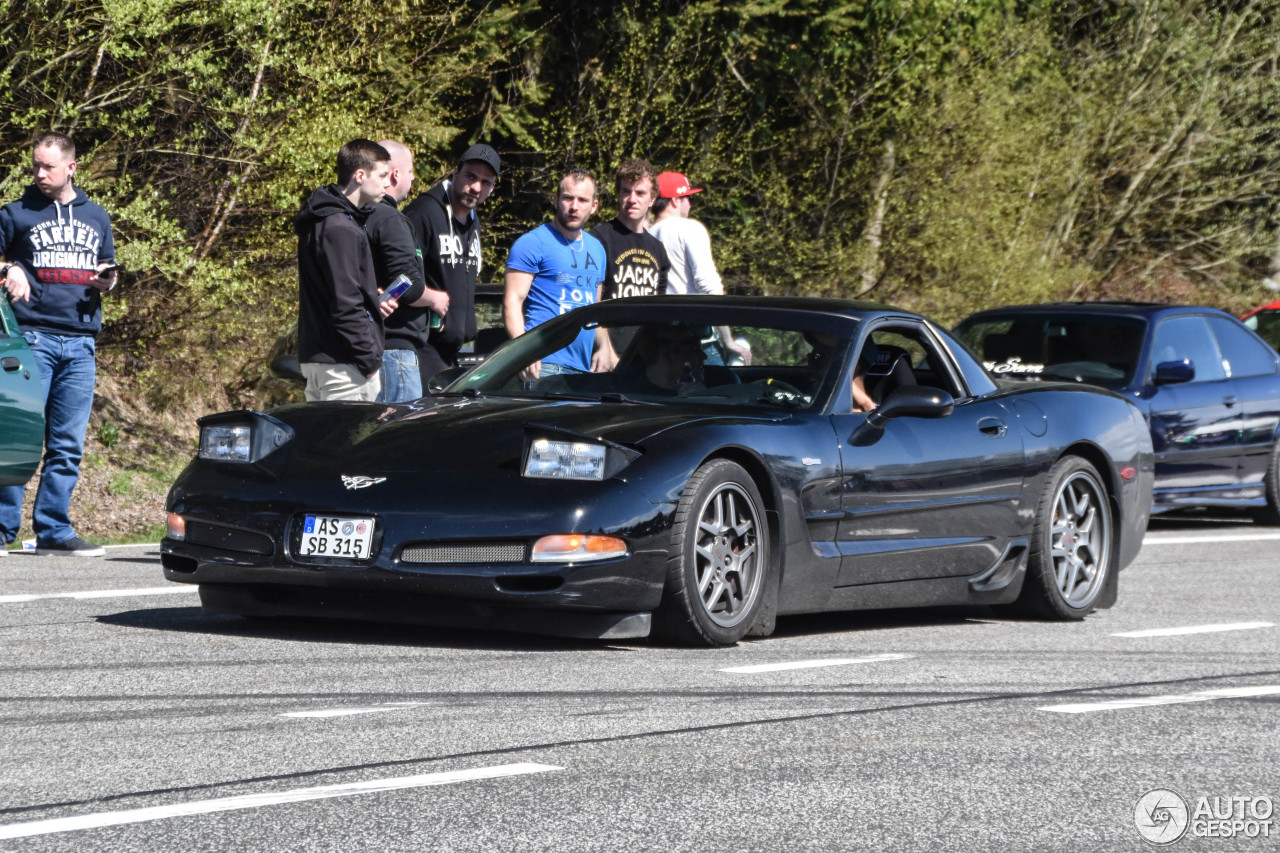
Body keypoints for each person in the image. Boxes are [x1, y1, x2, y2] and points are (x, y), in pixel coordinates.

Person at [0, 131, 118, 557]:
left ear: (71, 167)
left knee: (67, 445)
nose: (39, 173)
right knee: (18, 437)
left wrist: (110, 278)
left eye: (47, 166)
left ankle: (53, 530)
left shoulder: (97, 217)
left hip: (81, 343)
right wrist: (9, 266)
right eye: (35, 164)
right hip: (30, 337)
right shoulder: (16, 213)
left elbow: (107, 263)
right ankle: (1, 531)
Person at [295, 139, 390, 402]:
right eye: (382, 175)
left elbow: (337, 293)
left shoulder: (323, 219)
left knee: (324, 443)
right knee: (349, 443)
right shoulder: (341, 228)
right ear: (360, 175)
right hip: (344, 365)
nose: (388, 183)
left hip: (325, 359)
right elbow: (345, 304)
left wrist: (371, 299)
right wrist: (369, 361)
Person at [402, 143, 500, 388]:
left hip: (454, 353)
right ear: (455, 172)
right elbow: (399, 275)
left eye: (485, 182)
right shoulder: (423, 213)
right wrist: (429, 298)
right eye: (471, 176)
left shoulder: (472, 221)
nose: (476, 187)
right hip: (421, 348)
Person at [503, 168, 608, 379]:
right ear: (556, 199)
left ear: (594, 206)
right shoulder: (532, 243)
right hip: (544, 365)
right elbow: (512, 302)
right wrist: (524, 352)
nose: (574, 206)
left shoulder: (597, 249)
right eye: (568, 198)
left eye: (582, 200)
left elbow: (595, 310)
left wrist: (606, 348)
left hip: (583, 369)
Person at [648, 170, 751, 366]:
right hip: (696, 341)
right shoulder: (690, 228)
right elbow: (708, 286)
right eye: (688, 197)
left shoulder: (646, 236)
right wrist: (728, 341)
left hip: (658, 339)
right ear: (675, 200)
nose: (690, 204)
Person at [364, 139, 431, 402]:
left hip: (368, 348)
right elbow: (408, 283)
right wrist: (435, 299)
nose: (414, 178)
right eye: (412, 171)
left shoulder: (354, 215)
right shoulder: (391, 219)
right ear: (396, 174)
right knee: (395, 437)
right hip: (395, 353)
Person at [590, 158, 670, 362]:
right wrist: (605, 347)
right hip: (604, 352)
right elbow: (590, 303)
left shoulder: (658, 249)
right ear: (618, 194)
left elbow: (659, 311)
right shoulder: (599, 239)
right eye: (626, 191)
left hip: (645, 357)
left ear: (652, 199)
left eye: (640, 193)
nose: (632, 199)